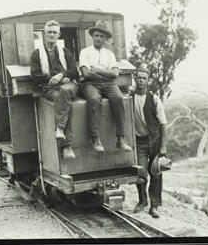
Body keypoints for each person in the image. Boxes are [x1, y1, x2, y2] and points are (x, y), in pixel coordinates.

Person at [79, 20, 132, 152]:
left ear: (105, 39)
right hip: (90, 84)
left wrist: (96, 69)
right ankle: (95, 138)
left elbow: (114, 74)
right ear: (92, 36)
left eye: (102, 36)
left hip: (109, 84)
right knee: (94, 100)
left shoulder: (110, 54)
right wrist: (105, 73)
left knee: (119, 98)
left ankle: (121, 138)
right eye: (97, 35)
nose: (99, 38)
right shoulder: (85, 52)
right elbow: (86, 73)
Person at [30, 20, 79, 159]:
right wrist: (53, 78)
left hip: (68, 85)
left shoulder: (65, 52)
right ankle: (67, 147)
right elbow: (35, 75)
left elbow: (74, 71)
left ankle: (59, 129)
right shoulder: (37, 53)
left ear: (59, 35)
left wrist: (62, 75)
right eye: (49, 32)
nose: (51, 35)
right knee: (63, 101)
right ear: (45, 34)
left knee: (64, 93)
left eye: (54, 32)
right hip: (50, 87)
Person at [131, 66, 168, 218]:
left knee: (156, 174)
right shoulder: (130, 98)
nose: (141, 80)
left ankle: (154, 205)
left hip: (154, 140)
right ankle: (142, 201)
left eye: (144, 78)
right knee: (140, 172)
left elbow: (163, 123)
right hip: (139, 142)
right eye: (139, 77)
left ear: (148, 80)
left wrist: (163, 146)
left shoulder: (154, 99)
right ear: (135, 79)